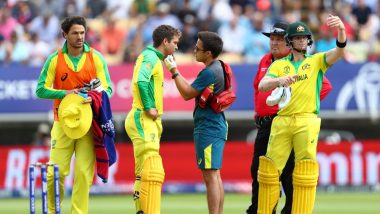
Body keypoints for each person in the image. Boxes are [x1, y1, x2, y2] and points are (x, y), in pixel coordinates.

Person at [257, 15, 346, 214]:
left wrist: (341, 29)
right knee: (268, 171)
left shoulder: (317, 61)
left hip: (307, 120)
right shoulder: (279, 65)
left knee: (305, 171)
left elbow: (340, 51)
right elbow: (263, 85)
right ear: (289, 41)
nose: (301, 41)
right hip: (282, 120)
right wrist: (280, 80)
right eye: (297, 38)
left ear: (308, 40)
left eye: (304, 38)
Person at [35, 16, 113, 214]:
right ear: (65, 35)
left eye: (82, 33)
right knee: (55, 174)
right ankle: (53, 211)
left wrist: (95, 97)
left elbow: (109, 89)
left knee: (83, 175)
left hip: (87, 125)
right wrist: (65, 93)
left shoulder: (96, 57)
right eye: (75, 33)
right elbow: (40, 90)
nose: (80, 37)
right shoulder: (54, 59)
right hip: (62, 123)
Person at [164, 31, 226, 214]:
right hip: (217, 124)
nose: (194, 50)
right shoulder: (220, 66)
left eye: (198, 48)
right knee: (216, 176)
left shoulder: (208, 72)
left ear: (208, 53)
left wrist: (174, 71)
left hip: (208, 127)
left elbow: (186, 93)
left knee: (210, 177)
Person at [124, 24, 181, 214]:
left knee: (143, 173)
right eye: (174, 43)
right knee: (151, 171)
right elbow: (140, 80)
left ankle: (142, 211)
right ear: (165, 42)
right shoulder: (149, 57)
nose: (176, 47)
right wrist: (149, 106)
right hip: (143, 117)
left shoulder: (154, 58)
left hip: (145, 120)